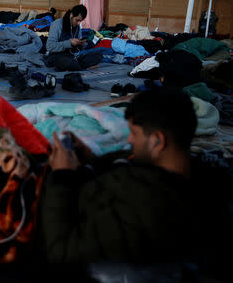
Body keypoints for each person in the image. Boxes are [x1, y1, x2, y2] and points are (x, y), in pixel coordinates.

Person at [38, 87, 232, 275]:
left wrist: (62, 177)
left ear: (158, 141)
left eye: (134, 133)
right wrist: (91, 160)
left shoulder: (147, 207)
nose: (129, 140)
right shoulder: (194, 172)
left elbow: (60, 251)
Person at [45, 4, 102, 71]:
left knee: (98, 55)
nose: (78, 23)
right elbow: (49, 46)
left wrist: (81, 44)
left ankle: (77, 66)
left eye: (80, 21)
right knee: (65, 62)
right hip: (57, 57)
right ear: (71, 15)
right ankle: (83, 67)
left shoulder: (78, 28)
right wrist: (69, 43)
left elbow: (77, 49)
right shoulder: (57, 24)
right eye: (77, 20)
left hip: (72, 56)